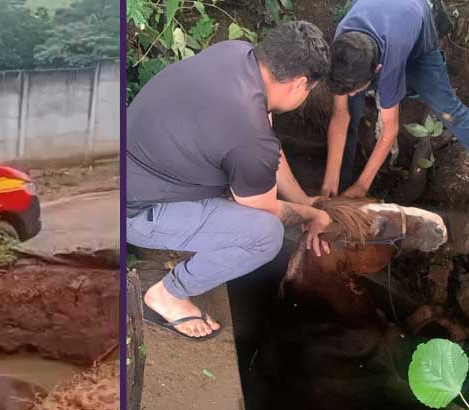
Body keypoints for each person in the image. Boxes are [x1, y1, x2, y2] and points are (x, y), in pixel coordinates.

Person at [126, 21, 333, 340]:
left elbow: (265, 148)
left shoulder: (237, 55)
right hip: (135, 211)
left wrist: (304, 200)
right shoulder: (250, 135)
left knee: (244, 177)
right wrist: (311, 215)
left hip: (129, 167)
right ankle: (168, 294)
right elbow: (263, 209)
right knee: (265, 235)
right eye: (309, 90)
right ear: (299, 83)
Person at [321, 0, 469, 199]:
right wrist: (329, 179)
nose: (353, 94)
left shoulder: (389, 65)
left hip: (416, 34)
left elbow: (390, 129)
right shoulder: (342, 47)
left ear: (377, 70)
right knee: (351, 110)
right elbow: (340, 116)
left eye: (356, 90)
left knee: (448, 110)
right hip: (384, 16)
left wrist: (363, 186)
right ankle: (339, 187)